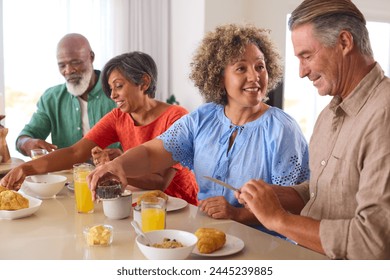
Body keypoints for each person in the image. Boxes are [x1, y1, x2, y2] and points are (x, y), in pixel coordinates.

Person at [86, 24, 309, 234]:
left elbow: (298, 201)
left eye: (260, 66)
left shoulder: (282, 129)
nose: (255, 76)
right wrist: (118, 165)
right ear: (219, 77)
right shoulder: (203, 117)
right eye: (241, 68)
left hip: (266, 245)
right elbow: (152, 153)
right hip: (208, 235)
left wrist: (239, 214)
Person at [234, 0, 390, 259]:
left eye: (307, 56)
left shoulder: (384, 115)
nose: (301, 72)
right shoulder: (329, 114)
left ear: (344, 42)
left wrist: (279, 220)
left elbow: (373, 243)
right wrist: (274, 195)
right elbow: (321, 193)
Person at [1, 51, 198, 205]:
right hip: (140, 203)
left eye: (118, 86)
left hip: (180, 205)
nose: (112, 95)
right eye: (110, 89)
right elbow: (75, 152)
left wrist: (114, 166)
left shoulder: (176, 117)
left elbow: (160, 182)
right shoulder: (118, 117)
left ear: (144, 82)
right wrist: (25, 169)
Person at [16, 33, 119, 157]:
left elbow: (141, 141)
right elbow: (24, 137)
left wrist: (122, 154)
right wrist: (27, 143)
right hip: (66, 175)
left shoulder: (118, 91)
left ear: (91, 57)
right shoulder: (51, 98)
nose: (68, 70)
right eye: (62, 65)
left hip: (113, 173)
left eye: (75, 62)